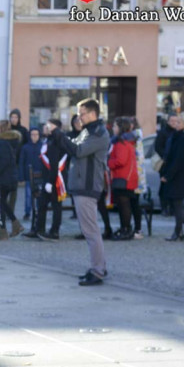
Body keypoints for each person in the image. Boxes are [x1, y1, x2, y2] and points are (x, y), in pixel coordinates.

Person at [58, 99, 110, 284]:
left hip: (88, 186)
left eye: (82, 113)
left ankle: (98, 271)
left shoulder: (98, 133)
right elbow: (74, 145)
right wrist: (62, 137)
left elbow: (78, 150)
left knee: (91, 231)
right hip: (82, 185)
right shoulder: (89, 131)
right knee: (90, 230)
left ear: (93, 113)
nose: (79, 117)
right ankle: (98, 267)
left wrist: (59, 135)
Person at [26, 119, 66, 241]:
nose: (45, 126)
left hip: (54, 179)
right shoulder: (49, 140)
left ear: (54, 127)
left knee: (55, 205)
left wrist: (50, 181)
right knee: (42, 204)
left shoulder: (56, 141)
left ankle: (54, 231)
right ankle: (39, 229)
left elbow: (54, 163)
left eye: (48, 125)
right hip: (48, 178)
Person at [159, 112, 184, 241]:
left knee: (177, 204)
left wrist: (168, 176)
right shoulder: (177, 136)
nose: (176, 124)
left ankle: (177, 231)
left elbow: (179, 160)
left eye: (179, 122)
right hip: (176, 174)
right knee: (176, 203)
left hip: (180, 176)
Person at [107, 118, 139, 241]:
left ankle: (126, 229)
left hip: (123, 178)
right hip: (126, 177)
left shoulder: (121, 143)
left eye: (115, 126)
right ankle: (124, 228)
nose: (113, 129)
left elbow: (120, 161)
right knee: (123, 204)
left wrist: (109, 162)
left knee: (124, 205)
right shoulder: (126, 142)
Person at [0, 120, 22, 240]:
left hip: (4, 178)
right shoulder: (11, 141)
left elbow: (3, 162)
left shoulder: (2, 142)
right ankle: (7, 229)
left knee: (1, 203)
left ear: (2, 128)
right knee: (2, 203)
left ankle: (10, 227)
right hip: (10, 176)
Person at [18, 127, 45, 224]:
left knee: (40, 195)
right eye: (32, 134)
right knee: (28, 195)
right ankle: (27, 212)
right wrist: (21, 176)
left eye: (36, 134)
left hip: (41, 176)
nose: (34, 136)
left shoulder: (42, 146)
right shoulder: (25, 147)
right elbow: (21, 162)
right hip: (28, 175)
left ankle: (38, 211)